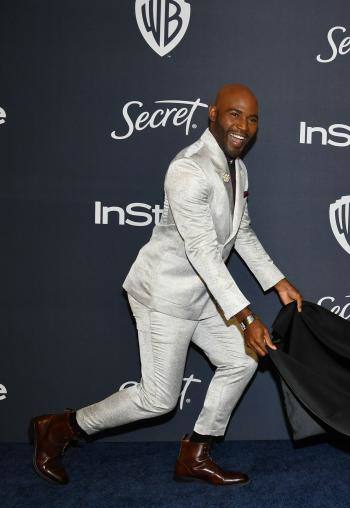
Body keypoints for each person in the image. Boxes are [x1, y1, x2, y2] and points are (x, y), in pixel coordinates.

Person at [30, 83, 303, 486]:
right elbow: (203, 253)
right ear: (213, 113)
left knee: (242, 359)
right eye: (234, 114)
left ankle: (195, 454)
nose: (243, 126)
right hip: (164, 294)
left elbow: (241, 233)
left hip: (203, 295)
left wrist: (278, 280)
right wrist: (247, 319)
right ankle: (59, 428)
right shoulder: (188, 169)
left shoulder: (237, 167)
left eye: (252, 118)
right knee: (158, 399)